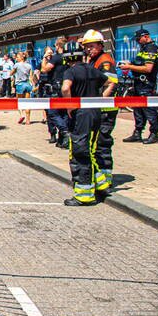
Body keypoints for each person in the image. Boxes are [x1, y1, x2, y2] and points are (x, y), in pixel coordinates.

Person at [61, 41, 117, 206]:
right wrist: (102, 99)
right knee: (91, 150)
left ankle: (84, 195)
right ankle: (101, 184)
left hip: (81, 116)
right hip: (95, 114)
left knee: (79, 153)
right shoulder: (92, 69)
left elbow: (65, 88)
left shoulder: (70, 72)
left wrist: (70, 105)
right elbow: (110, 82)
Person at [82, 29, 119, 195]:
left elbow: (110, 84)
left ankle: (106, 180)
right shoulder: (94, 60)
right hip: (98, 109)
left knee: (102, 144)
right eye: (87, 46)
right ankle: (101, 179)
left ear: (100, 45)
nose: (89, 49)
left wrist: (98, 101)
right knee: (96, 144)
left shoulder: (104, 61)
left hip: (105, 110)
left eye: (92, 46)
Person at [120, 28, 158, 144]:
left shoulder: (152, 49)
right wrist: (130, 64)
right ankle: (137, 133)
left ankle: (154, 134)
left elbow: (148, 68)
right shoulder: (143, 48)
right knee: (137, 110)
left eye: (139, 39)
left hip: (146, 84)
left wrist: (129, 67)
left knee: (149, 109)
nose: (138, 41)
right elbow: (140, 63)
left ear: (146, 36)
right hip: (139, 83)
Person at [41, 36, 68, 146]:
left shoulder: (56, 57)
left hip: (56, 89)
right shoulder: (68, 57)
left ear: (57, 46)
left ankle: (65, 132)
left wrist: (44, 59)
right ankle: (63, 140)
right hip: (67, 88)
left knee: (52, 113)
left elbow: (44, 69)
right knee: (64, 114)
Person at [13, 52, 35, 124]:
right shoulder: (29, 65)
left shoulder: (17, 65)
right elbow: (31, 77)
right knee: (27, 102)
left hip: (19, 84)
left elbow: (11, 73)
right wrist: (33, 85)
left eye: (18, 57)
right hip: (27, 84)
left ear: (22, 58)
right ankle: (28, 120)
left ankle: (22, 115)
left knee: (19, 101)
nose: (16, 58)